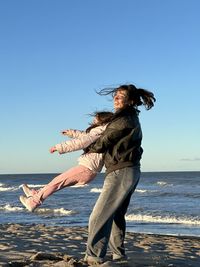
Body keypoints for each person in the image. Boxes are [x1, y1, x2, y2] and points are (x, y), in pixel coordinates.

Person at [84, 84, 156, 265]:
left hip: (122, 171)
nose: (116, 98)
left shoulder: (124, 119)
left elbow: (102, 142)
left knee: (99, 215)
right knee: (115, 215)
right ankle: (118, 255)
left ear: (131, 101)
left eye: (121, 96)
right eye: (115, 95)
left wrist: (85, 145)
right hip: (129, 170)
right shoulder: (128, 117)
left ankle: (94, 256)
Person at [19, 111, 113, 212]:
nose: (94, 119)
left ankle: (33, 202)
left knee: (56, 183)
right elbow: (85, 136)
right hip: (88, 170)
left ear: (102, 120)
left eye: (96, 118)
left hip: (87, 169)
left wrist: (59, 147)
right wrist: (72, 133)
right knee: (56, 182)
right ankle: (35, 194)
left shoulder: (99, 131)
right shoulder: (100, 132)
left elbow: (82, 142)